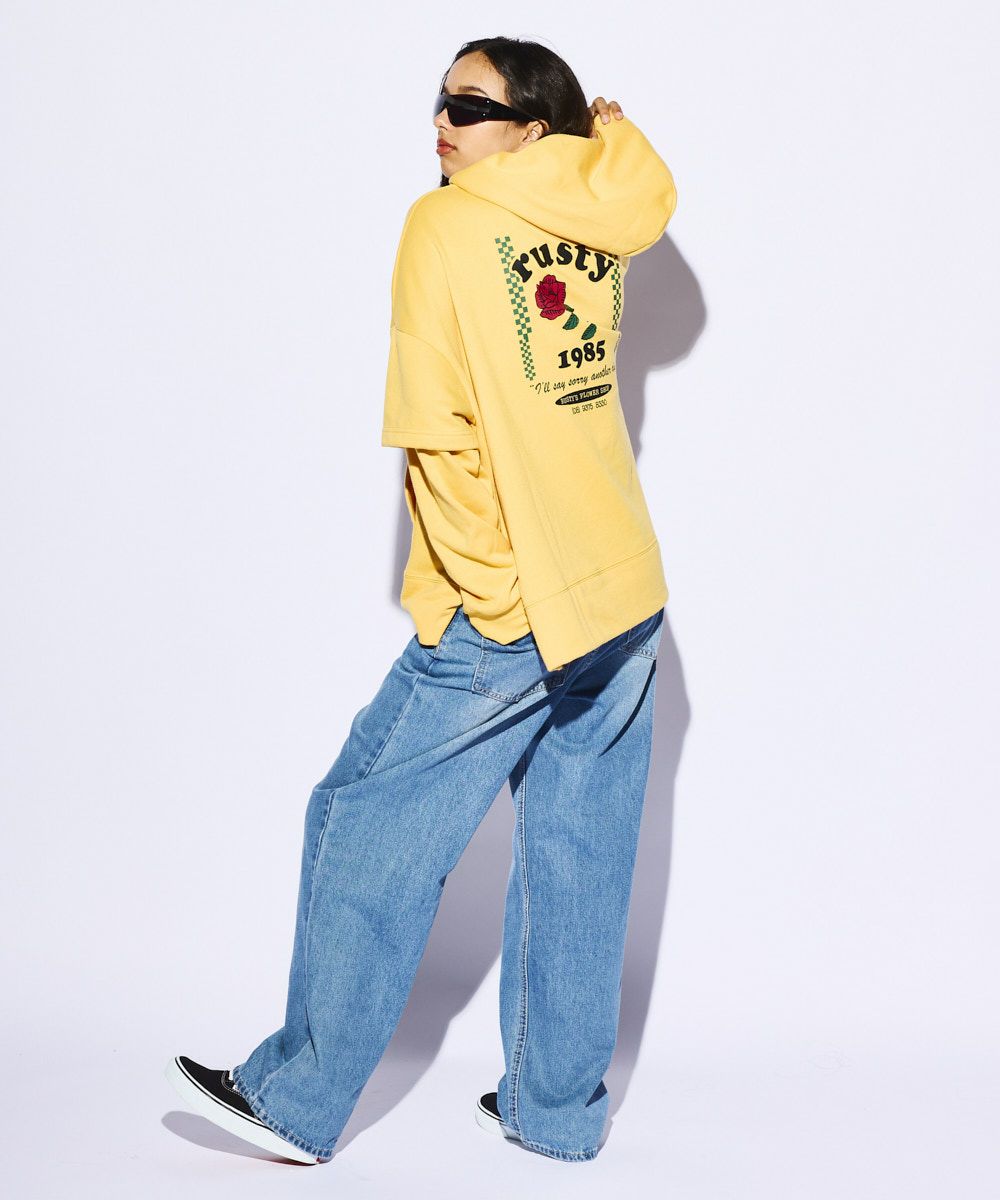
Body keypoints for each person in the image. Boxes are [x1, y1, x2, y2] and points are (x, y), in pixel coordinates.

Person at [166, 36, 678, 1166]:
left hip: (519, 599)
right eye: (440, 99)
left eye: (472, 104)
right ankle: (554, 1114)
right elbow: (640, 180)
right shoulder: (603, 205)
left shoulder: (443, 225)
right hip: (622, 586)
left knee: (363, 820)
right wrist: (607, 128)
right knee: (578, 853)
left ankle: (293, 1101)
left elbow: (433, 426)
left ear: (530, 129)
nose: (443, 120)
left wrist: (482, 595)